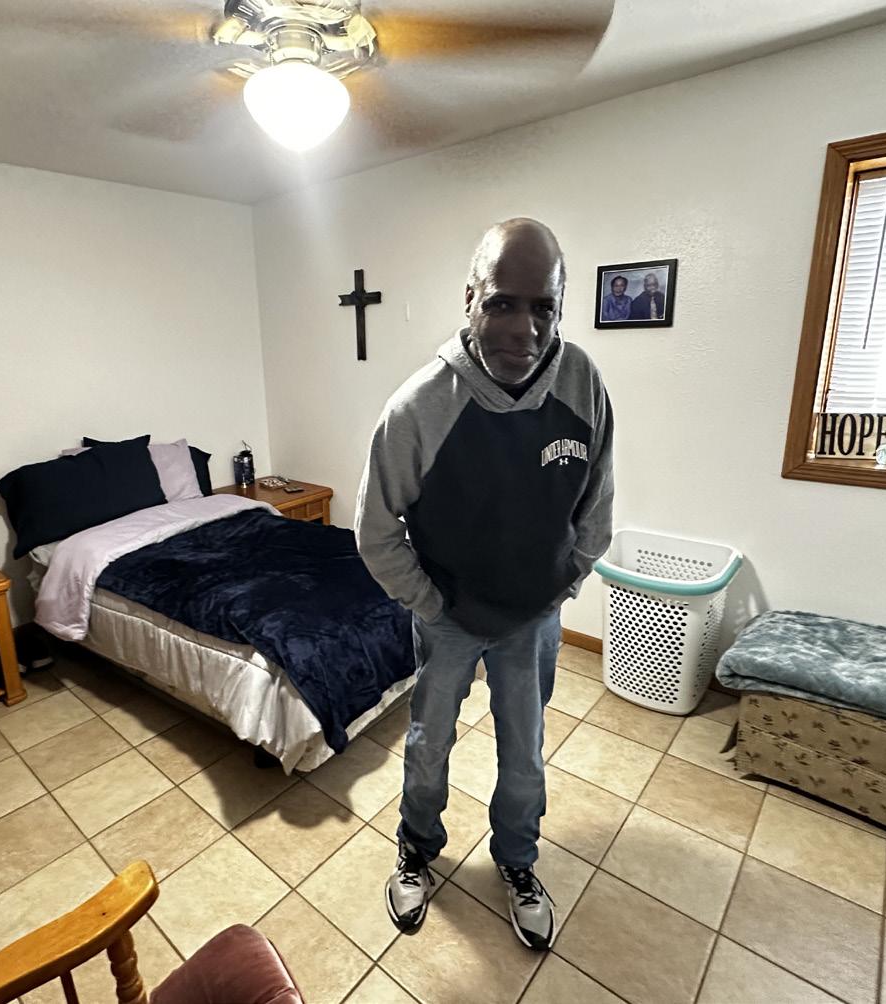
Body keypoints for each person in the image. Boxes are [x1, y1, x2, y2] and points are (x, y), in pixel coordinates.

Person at [355, 218, 614, 951]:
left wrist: (563, 584)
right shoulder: (418, 409)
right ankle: (416, 848)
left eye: (543, 307)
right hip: (449, 617)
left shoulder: (582, 384)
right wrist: (432, 603)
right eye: (502, 303)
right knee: (428, 743)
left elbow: (597, 504)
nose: (523, 329)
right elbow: (375, 533)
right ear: (470, 298)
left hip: (531, 618)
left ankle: (518, 860)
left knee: (524, 754)